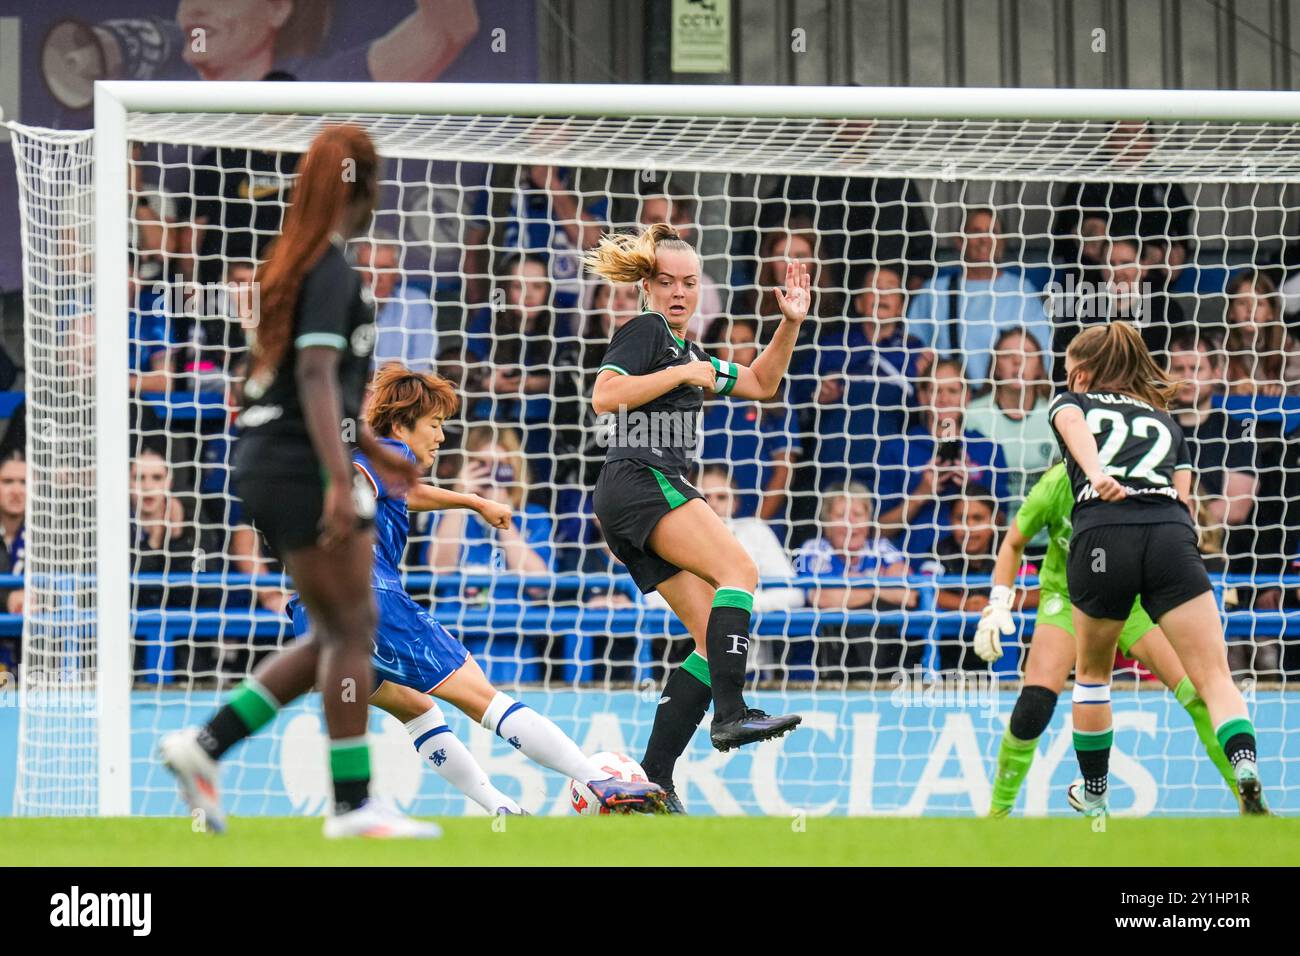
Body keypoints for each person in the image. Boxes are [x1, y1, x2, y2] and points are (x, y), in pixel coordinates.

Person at [160, 125, 438, 839]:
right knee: (353, 627)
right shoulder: (332, 271)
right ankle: (352, 806)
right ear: (363, 186)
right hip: (297, 464)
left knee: (335, 630)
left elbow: (319, 388)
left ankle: (207, 744)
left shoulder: (295, 262)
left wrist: (377, 447)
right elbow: (315, 377)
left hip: (267, 459)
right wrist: (341, 478)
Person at [288, 364, 665, 814]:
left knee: (417, 709)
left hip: (311, 610)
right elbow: (362, 485)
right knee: (485, 700)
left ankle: (501, 808)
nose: (441, 438)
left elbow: (397, 491)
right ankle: (598, 780)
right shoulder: (392, 451)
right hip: (370, 598)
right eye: (434, 424)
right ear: (403, 422)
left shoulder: (374, 462)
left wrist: (472, 501)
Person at [585, 223, 809, 811]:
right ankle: (731, 714)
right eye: (666, 282)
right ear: (646, 287)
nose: (678, 293)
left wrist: (789, 322)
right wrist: (682, 374)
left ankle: (653, 779)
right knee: (741, 570)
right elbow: (605, 396)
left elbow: (762, 382)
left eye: (689, 283)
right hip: (642, 478)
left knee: (712, 634)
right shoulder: (647, 330)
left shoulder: (689, 351)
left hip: (632, 495)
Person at [1047, 321, 1268, 816]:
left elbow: (1073, 428)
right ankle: (1246, 766)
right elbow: (1184, 484)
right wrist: (1179, 528)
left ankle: (1096, 792)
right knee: (1215, 676)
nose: (1067, 380)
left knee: (1092, 674)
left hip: (1103, 534)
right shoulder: (1163, 417)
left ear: (1083, 373)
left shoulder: (1071, 402)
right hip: (1170, 533)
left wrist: (1099, 473)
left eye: (1069, 372)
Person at [975, 462, 1241, 816]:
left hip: (1131, 601)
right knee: (1035, 702)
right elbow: (1013, 543)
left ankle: (1249, 801)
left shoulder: (1140, 475)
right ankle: (997, 814)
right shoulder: (1056, 484)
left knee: (1197, 691)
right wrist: (998, 603)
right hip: (1067, 599)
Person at [873, 358, 1009, 561]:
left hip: (972, 568)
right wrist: (920, 494)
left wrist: (971, 487)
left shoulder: (988, 450)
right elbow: (878, 531)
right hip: (913, 566)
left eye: (952, 391)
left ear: (967, 397)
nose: (944, 399)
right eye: (936, 391)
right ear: (921, 396)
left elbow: (1002, 522)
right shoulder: (898, 449)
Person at [906, 207, 1052, 384]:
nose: (985, 239)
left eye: (993, 232)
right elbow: (912, 345)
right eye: (976, 232)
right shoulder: (934, 292)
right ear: (959, 241)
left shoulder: (1023, 291)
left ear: (1003, 242)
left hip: (1006, 401)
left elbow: (1042, 355)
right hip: (951, 400)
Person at [794, 483, 917, 679]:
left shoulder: (882, 547)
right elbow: (824, 598)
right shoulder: (812, 549)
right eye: (841, 516)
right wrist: (877, 584)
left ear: (868, 521)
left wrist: (857, 583)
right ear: (826, 523)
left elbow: (908, 596)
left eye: (858, 515)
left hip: (886, 653)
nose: (850, 523)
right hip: (832, 657)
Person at [698, 317, 797, 522]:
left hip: (762, 517)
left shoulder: (776, 398)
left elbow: (784, 469)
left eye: (744, 342)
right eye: (729, 341)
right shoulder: (698, 395)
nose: (736, 349)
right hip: (706, 516)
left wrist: (756, 522)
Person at [962, 326, 1056, 517]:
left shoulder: (1056, 414)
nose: (1017, 361)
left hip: (1048, 531)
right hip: (991, 534)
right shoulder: (972, 414)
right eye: (1007, 355)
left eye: (1027, 355)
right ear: (995, 367)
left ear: (1040, 368)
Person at [354, 232, 438, 372]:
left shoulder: (415, 303)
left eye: (384, 268)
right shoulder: (342, 305)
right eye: (367, 267)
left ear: (396, 271)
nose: (375, 277)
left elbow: (424, 367)